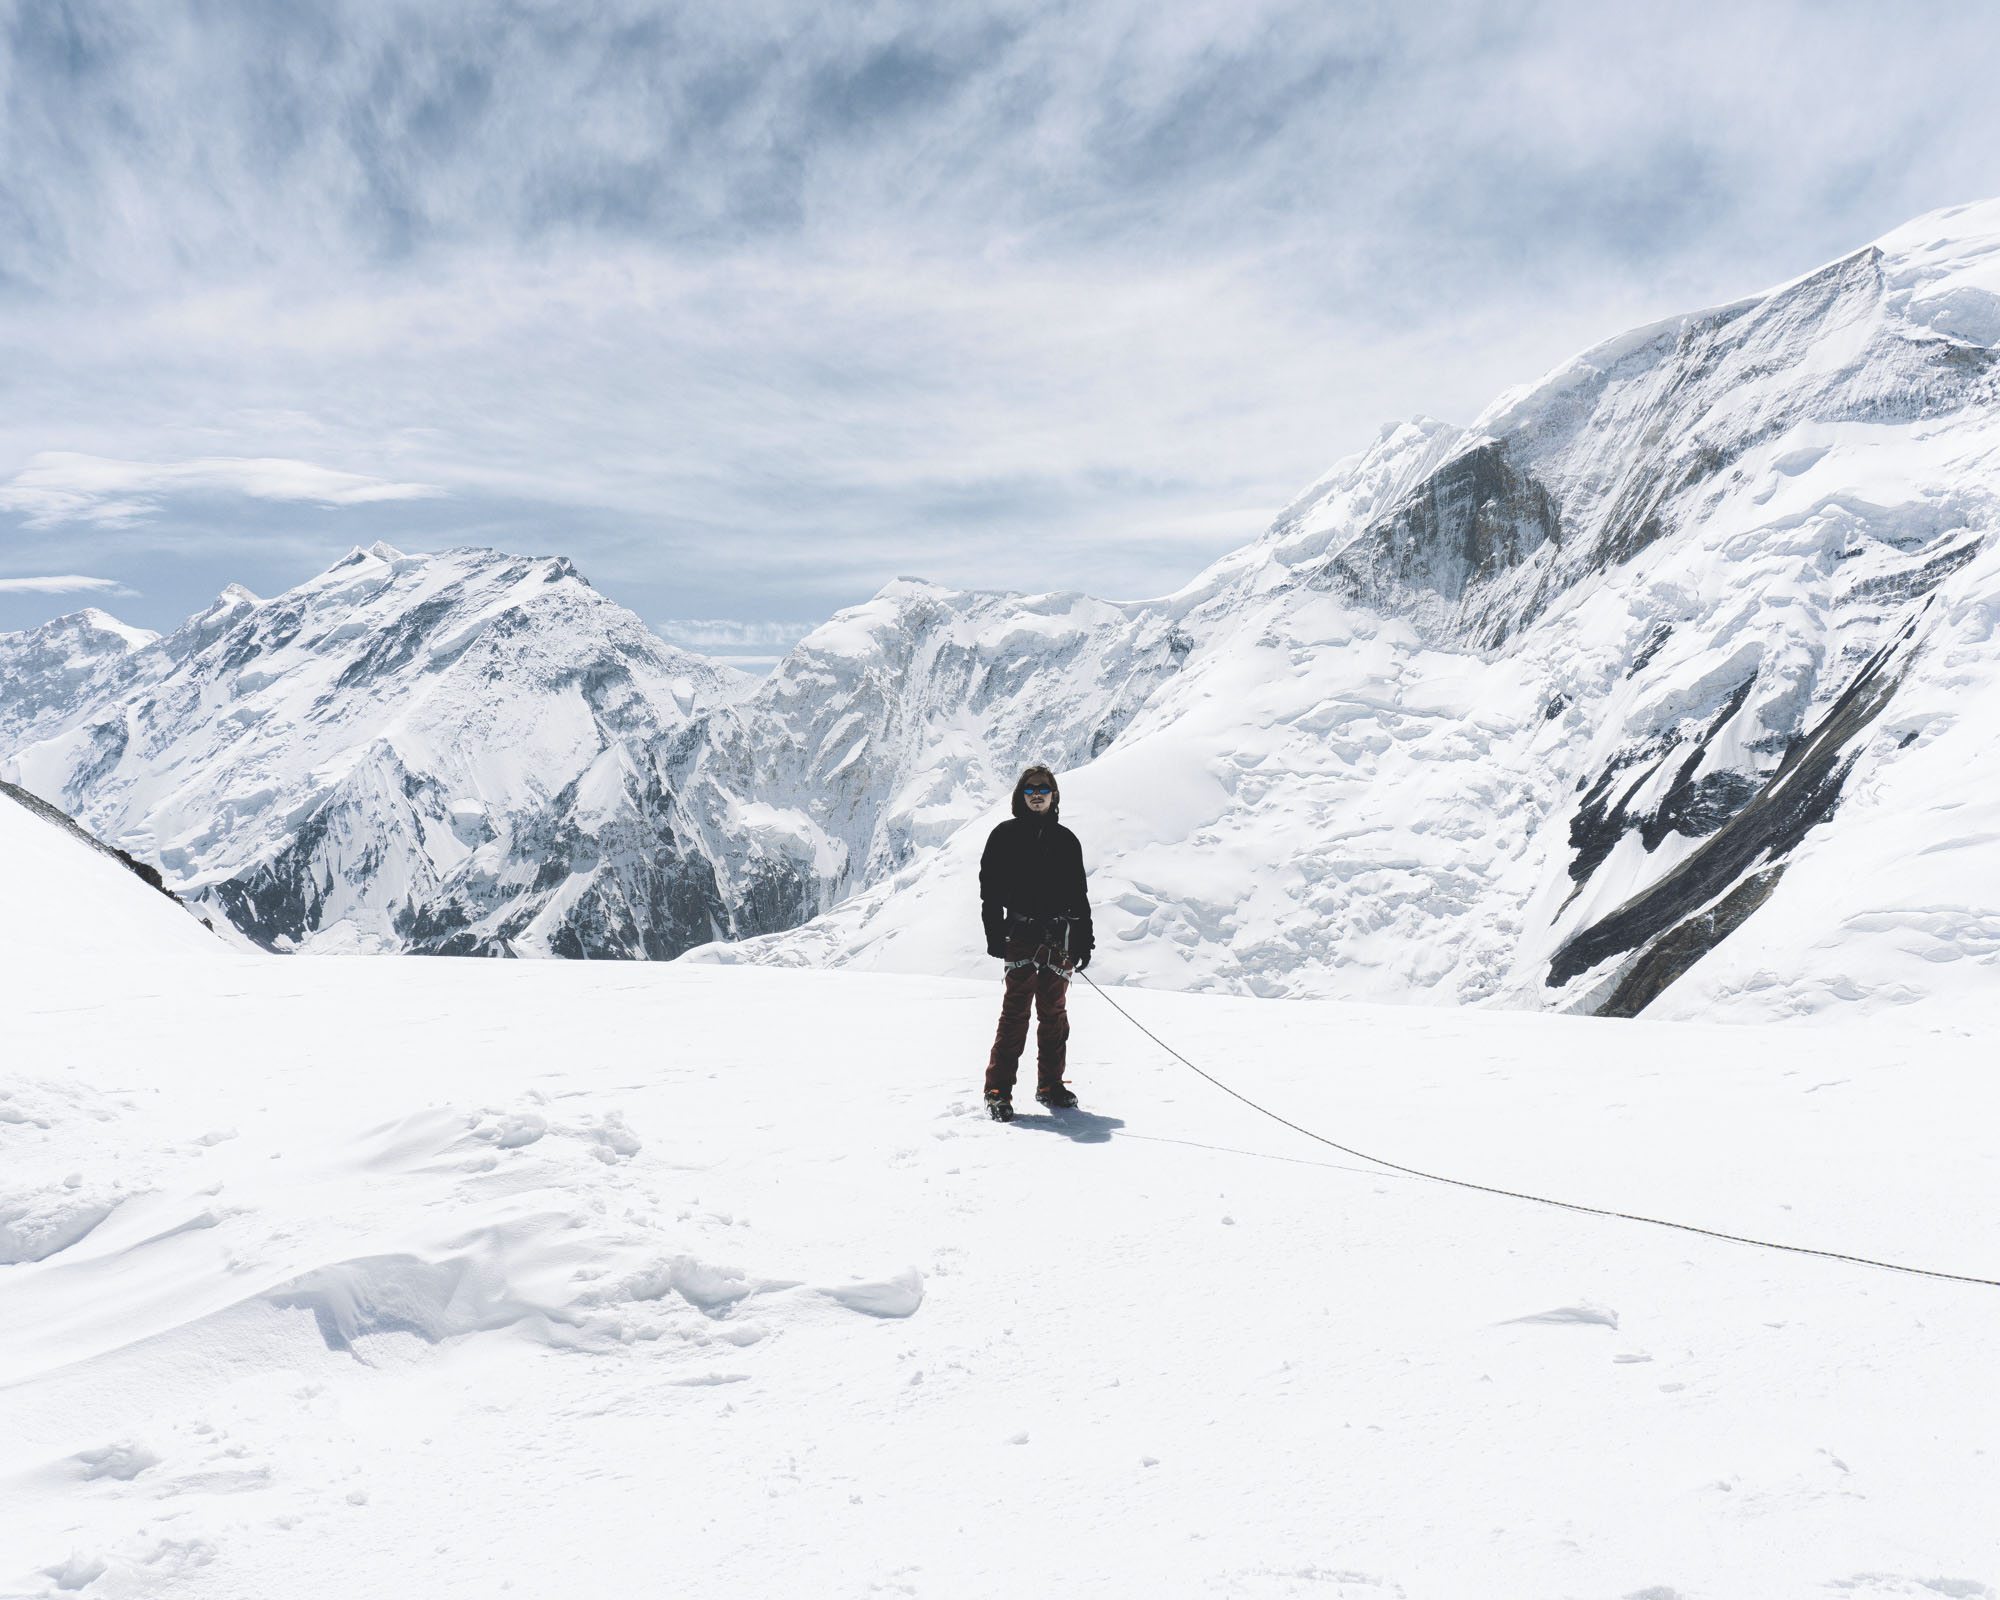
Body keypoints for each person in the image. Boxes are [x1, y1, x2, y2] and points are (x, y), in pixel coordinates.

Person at [978, 764, 1094, 1121]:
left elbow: (1079, 895)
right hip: (1022, 935)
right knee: (1015, 1014)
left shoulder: (1066, 840)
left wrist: (1083, 940)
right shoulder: (1003, 836)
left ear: (1054, 795)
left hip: (1057, 937)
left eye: (1043, 788)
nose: (1037, 794)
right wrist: (995, 934)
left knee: (1054, 1015)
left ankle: (1050, 1085)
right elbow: (990, 893)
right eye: (1030, 789)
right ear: (1021, 795)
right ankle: (998, 1090)